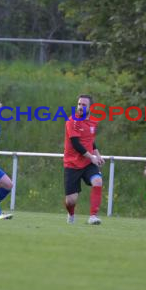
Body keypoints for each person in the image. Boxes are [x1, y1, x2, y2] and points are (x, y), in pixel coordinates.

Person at [63, 94, 105, 225]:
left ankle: (93, 216)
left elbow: (90, 141)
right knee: (71, 201)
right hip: (72, 164)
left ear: (90, 107)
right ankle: (71, 214)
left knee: (98, 181)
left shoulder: (93, 122)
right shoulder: (72, 121)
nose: (80, 107)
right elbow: (76, 144)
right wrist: (92, 156)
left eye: (84, 105)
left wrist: (97, 155)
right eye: (79, 104)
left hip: (87, 163)